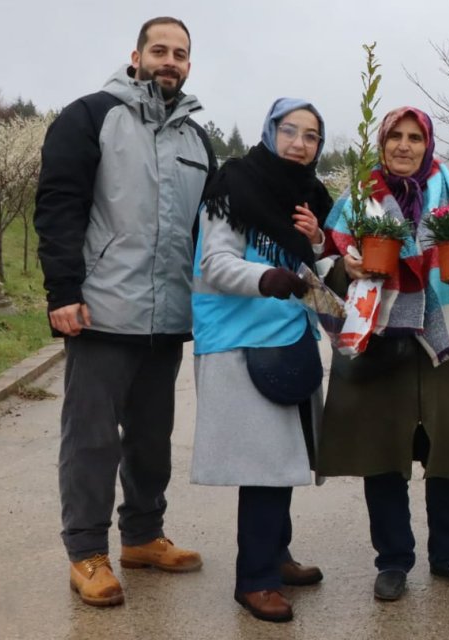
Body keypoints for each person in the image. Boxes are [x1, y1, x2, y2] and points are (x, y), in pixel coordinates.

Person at [33, 16, 213, 607]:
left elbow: (205, 231)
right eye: (159, 49)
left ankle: (142, 536)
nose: (170, 60)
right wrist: (63, 291)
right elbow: (59, 206)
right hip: (102, 313)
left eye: (180, 53)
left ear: (189, 63)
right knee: (91, 441)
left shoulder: (196, 138)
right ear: (134, 55)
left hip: (167, 320)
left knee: (151, 438)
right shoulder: (90, 116)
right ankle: (86, 552)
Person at [317, 106, 449, 601]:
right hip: (381, 338)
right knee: (384, 454)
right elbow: (327, 263)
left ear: (427, 143)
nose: (404, 145)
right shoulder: (356, 199)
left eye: (414, 137)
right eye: (395, 136)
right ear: (381, 144)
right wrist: (345, 270)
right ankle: (393, 561)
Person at [189, 98, 333, 623]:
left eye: (311, 135)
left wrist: (318, 240)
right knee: (264, 465)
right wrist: (266, 279)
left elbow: (316, 264)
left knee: (283, 458)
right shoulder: (233, 187)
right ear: (270, 132)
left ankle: (276, 553)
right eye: (289, 131)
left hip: (288, 338)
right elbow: (217, 263)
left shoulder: (311, 195)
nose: (300, 142)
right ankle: (255, 581)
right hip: (238, 342)